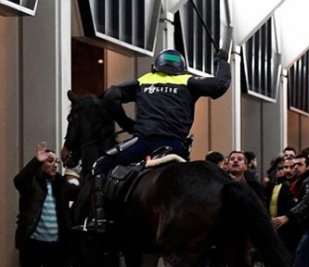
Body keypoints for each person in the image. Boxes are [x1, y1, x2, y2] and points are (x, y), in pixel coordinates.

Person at [88, 48, 231, 232]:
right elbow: (220, 85)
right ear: (182, 68)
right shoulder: (187, 81)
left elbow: (111, 95)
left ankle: (100, 217)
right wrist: (222, 61)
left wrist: (127, 123)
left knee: (99, 166)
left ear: (156, 66)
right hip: (176, 146)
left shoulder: (145, 80)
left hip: (142, 143)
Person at [7, 142, 79, 267]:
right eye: (49, 161)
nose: (54, 165)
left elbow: (77, 193)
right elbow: (18, 180)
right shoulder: (31, 183)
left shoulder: (61, 185)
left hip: (56, 245)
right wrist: (34, 161)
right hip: (33, 243)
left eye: (56, 162)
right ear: (41, 165)